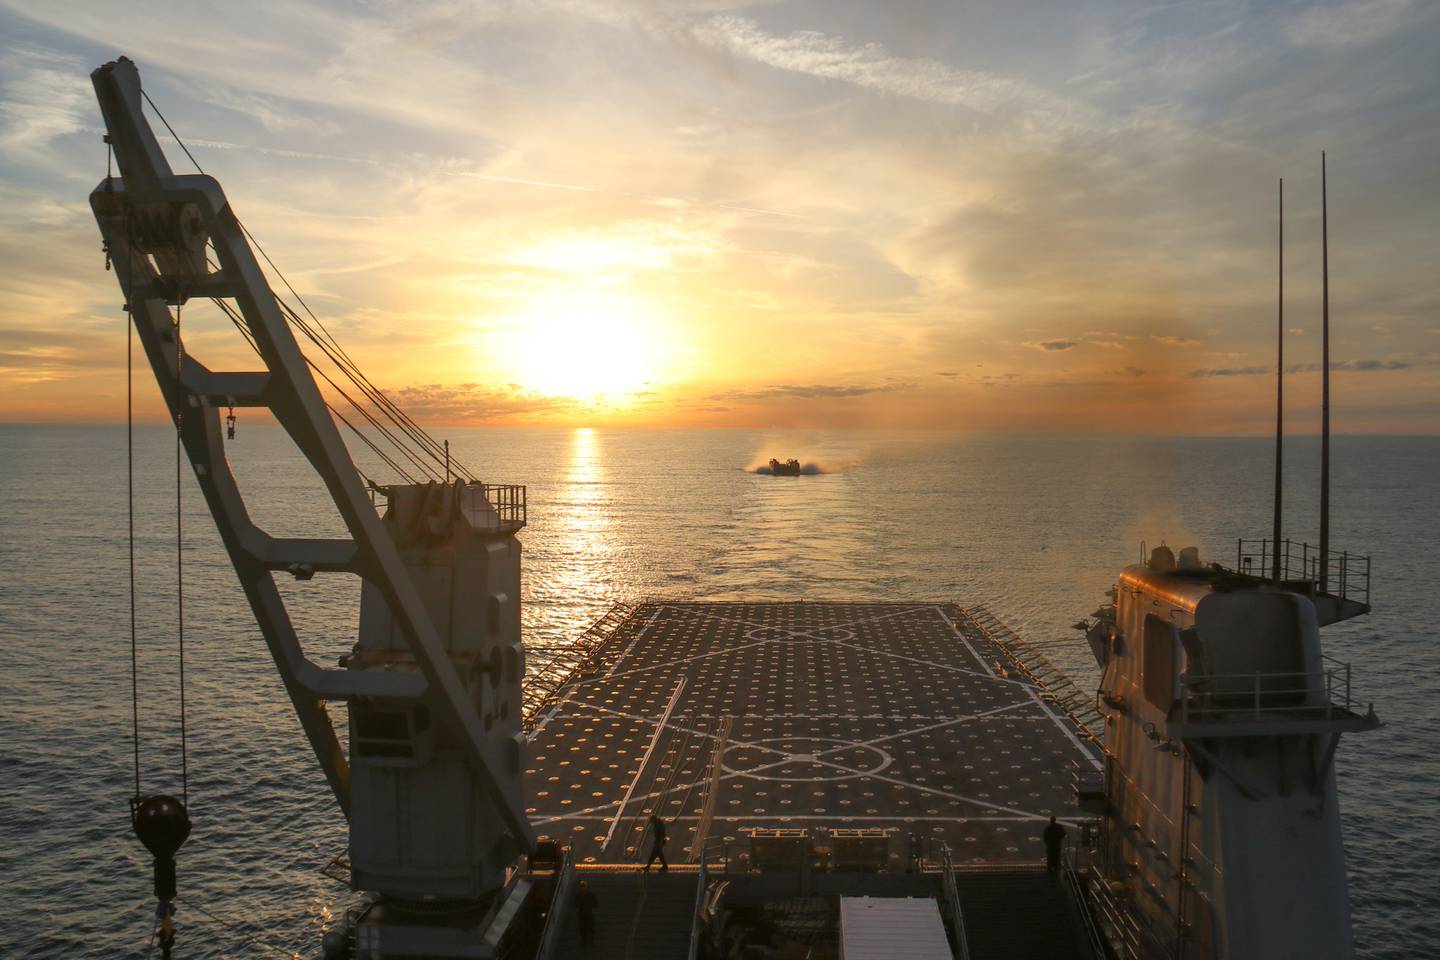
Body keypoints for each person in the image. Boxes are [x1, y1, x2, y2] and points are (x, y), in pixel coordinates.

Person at [575, 879, 598, 948]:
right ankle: (591, 940)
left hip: (582, 913)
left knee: (582, 927)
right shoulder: (591, 893)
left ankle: (584, 941)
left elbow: (576, 904)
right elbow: (596, 903)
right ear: (586, 886)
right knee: (591, 926)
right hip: (589, 912)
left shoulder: (578, 894)